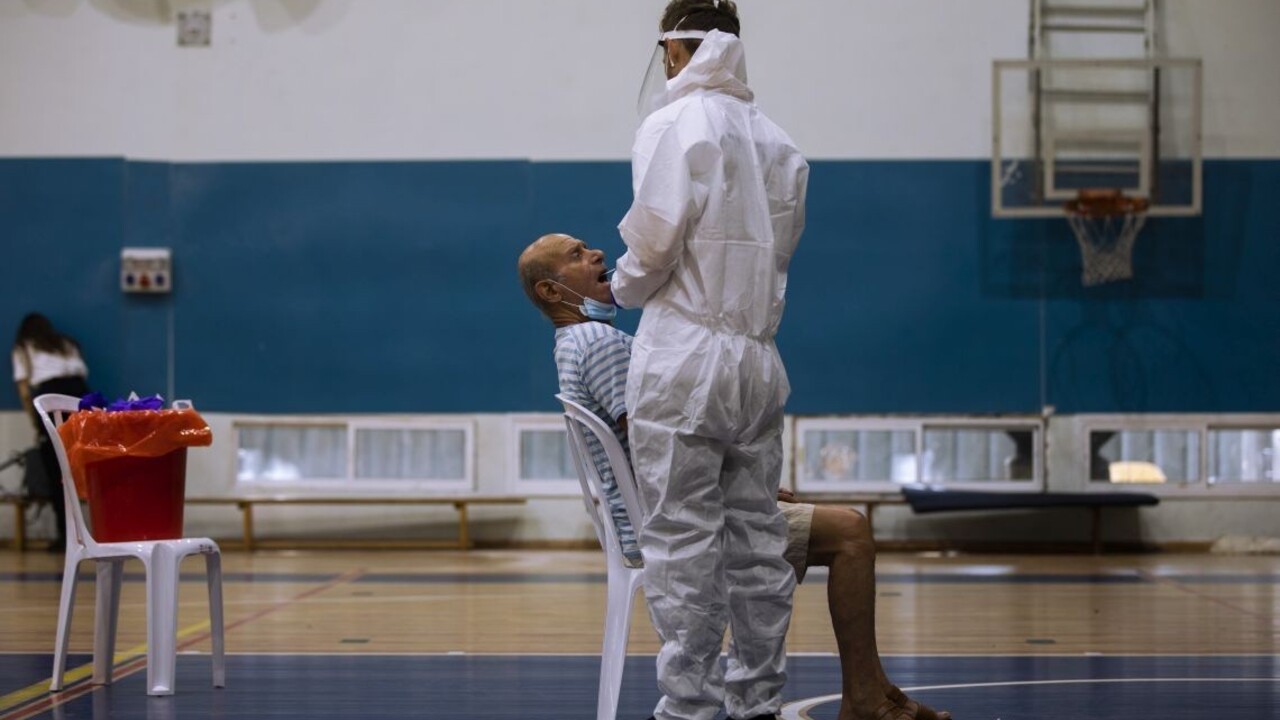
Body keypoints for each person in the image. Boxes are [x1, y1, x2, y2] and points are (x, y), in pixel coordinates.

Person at [518, 234, 951, 720]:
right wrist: (747, 487)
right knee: (850, 532)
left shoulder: (570, 345)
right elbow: (652, 444)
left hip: (663, 509)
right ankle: (863, 696)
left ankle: (866, 690)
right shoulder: (600, 343)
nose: (596, 254)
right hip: (677, 520)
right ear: (550, 292)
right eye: (576, 255)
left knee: (826, 527)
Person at [611, 3, 808, 718]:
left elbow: (654, 244)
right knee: (758, 540)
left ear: (674, 49)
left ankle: (689, 707)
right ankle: (758, 699)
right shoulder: (781, 143)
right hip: (757, 362)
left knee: (682, 542)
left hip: (683, 359)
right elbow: (778, 254)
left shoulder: (673, 124)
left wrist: (620, 287)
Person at [11, 313, 91, 552]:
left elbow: (24, 391)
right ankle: (90, 533)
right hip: (80, 397)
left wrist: (37, 424)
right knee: (84, 467)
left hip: (51, 398)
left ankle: (65, 536)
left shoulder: (23, 348)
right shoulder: (66, 344)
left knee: (58, 472)